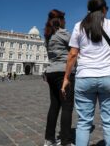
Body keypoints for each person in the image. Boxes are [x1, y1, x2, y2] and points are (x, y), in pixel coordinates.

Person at [61, 0, 110, 146]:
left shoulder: (79, 26)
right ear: (104, 9)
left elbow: (72, 54)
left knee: (84, 123)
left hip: (85, 77)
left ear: (88, 10)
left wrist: (66, 78)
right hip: (109, 77)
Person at [44, 9, 75, 146]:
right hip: (63, 72)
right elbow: (75, 47)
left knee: (54, 106)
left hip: (51, 72)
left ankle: (49, 139)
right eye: (64, 19)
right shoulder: (63, 33)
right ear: (60, 20)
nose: (66, 22)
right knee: (67, 106)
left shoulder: (48, 35)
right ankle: (66, 141)